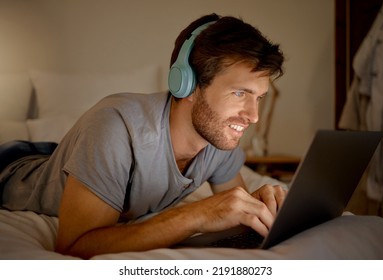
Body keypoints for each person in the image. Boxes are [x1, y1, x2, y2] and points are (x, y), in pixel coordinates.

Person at [0, 13, 285, 259]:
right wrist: (199, 213)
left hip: (57, 154)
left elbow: (234, 212)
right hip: (13, 166)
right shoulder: (114, 127)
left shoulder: (219, 137)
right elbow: (74, 247)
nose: (253, 115)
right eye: (239, 94)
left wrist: (260, 207)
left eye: (258, 98)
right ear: (186, 84)